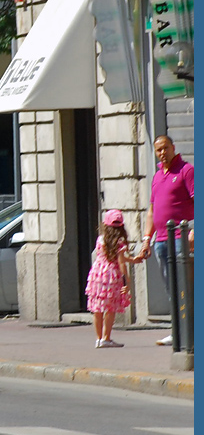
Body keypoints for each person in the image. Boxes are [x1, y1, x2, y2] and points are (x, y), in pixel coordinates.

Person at [138, 135, 194, 346]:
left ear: (173, 148)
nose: (162, 153)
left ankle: (189, 332)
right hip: (160, 241)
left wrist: (194, 229)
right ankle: (177, 330)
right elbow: (152, 211)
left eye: (165, 148)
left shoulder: (186, 171)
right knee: (172, 288)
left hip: (181, 238)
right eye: (158, 150)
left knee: (185, 287)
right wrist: (146, 240)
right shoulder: (157, 176)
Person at [85, 209, 141, 348]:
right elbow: (120, 262)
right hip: (111, 275)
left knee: (97, 308)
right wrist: (126, 281)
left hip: (97, 274)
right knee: (109, 308)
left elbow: (111, 257)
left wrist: (132, 259)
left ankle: (98, 339)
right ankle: (107, 338)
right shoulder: (119, 241)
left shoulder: (101, 239)